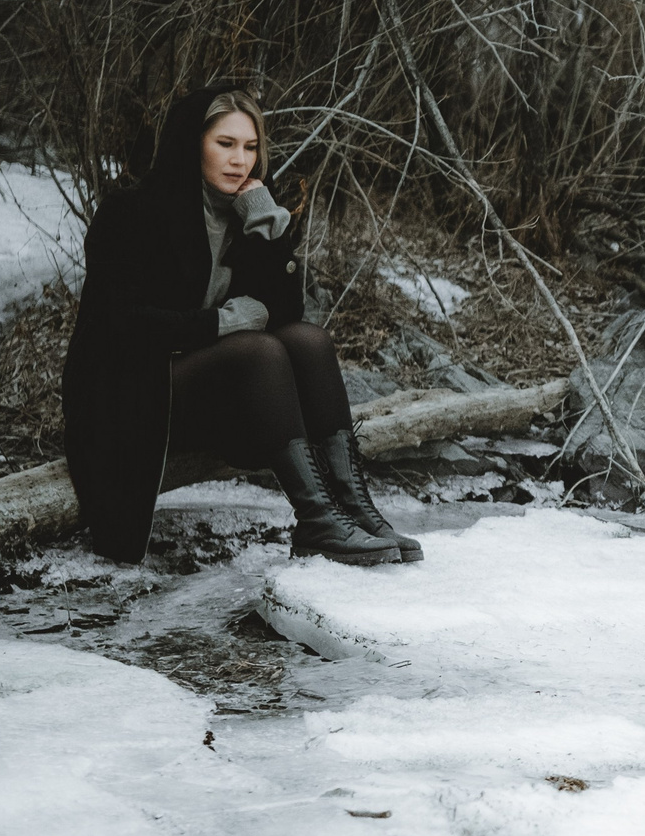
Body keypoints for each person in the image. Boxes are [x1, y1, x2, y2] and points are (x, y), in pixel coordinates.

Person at [61, 83, 419, 567]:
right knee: (258, 350)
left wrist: (266, 222)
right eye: (225, 144)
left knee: (308, 342)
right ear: (193, 143)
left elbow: (286, 313)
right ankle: (317, 519)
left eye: (251, 147)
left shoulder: (241, 213)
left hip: (205, 391)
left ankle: (353, 510)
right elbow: (124, 327)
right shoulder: (132, 213)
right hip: (130, 392)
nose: (240, 161)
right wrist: (223, 324)